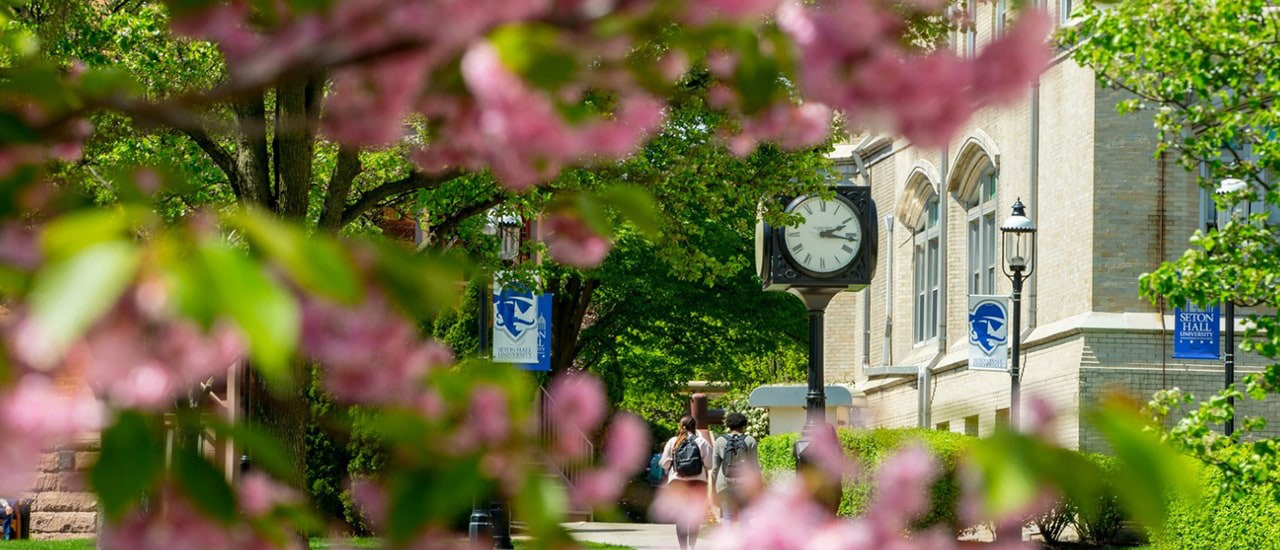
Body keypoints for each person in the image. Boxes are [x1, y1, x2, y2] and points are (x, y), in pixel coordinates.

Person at [659, 416, 712, 550]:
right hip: (698, 482)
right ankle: (692, 547)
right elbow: (710, 463)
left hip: (678, 484)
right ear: (694, 427)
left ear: (681, 426)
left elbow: (664, 463)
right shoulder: (701, 442)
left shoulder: (673, 442)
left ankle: (683, 548)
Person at [711, 412, 758, 525]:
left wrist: (713, 486)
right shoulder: (750, 440)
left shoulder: (719, 441)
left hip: (724, 484)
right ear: (743, 425)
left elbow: (715, 468)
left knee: (727, 515)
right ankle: (745, 542)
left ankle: (727, 541)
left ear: (728, 425)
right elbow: (754, 466)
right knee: (744, 515)